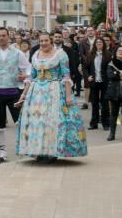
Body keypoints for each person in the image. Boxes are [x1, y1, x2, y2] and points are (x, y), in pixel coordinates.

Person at [14, 33, 87, 161]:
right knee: (36, 122)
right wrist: (23, 95)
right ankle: (38, 151)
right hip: (36, 94)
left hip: (55, 91)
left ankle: (52, 151)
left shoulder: (60, 54)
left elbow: (66, 75)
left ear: (51, 40)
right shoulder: (35, 54)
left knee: (52, 122)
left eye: (46, 40)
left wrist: (68, 96)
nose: (43, 43)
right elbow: (32, 77)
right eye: (41, 41)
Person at [0, 27, 31, 163]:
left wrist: (25, 76)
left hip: (14, 91)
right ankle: (2, 152)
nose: (1, 38)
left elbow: (28, 67)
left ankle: (25, 148)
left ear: (8, 37)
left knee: (21, 122)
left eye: (4, 35)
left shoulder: (17, 53)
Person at [85, 37, 110, 131]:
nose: (99, 43)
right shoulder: (90, 54)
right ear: (95, 44)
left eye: (101, 42)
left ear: (103, 44)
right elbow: (85, 67)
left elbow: (110, 68)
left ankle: (106, 123)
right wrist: (88, 76)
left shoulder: (108, 54)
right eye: (97, 42)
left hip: (105, 81)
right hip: (94, 81)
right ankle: (94, 123)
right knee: (94, 103)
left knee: (105, 104)